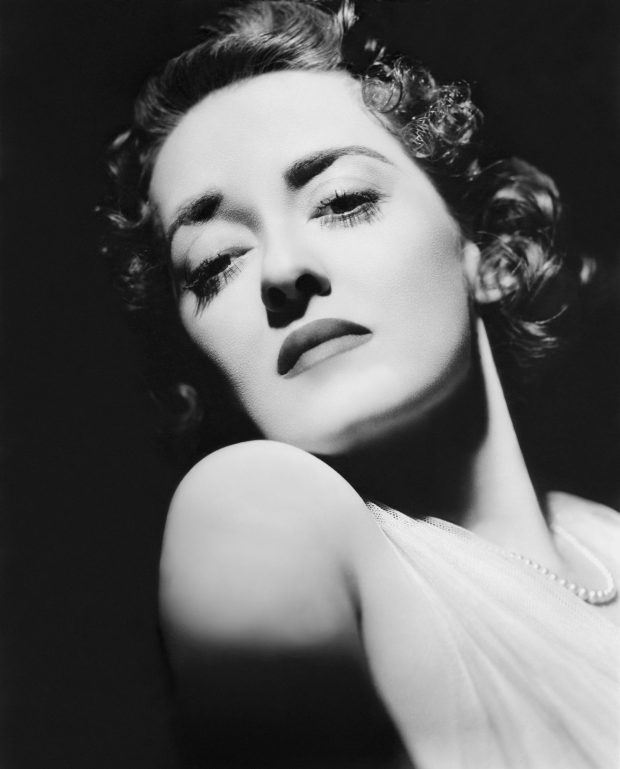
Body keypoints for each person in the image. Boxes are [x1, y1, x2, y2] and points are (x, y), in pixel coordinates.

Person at [103, 1, 620, 766]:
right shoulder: (251, 509)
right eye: (215, 264)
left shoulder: (606, 538)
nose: (282, 272)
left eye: (342, 202)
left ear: (490, 248)